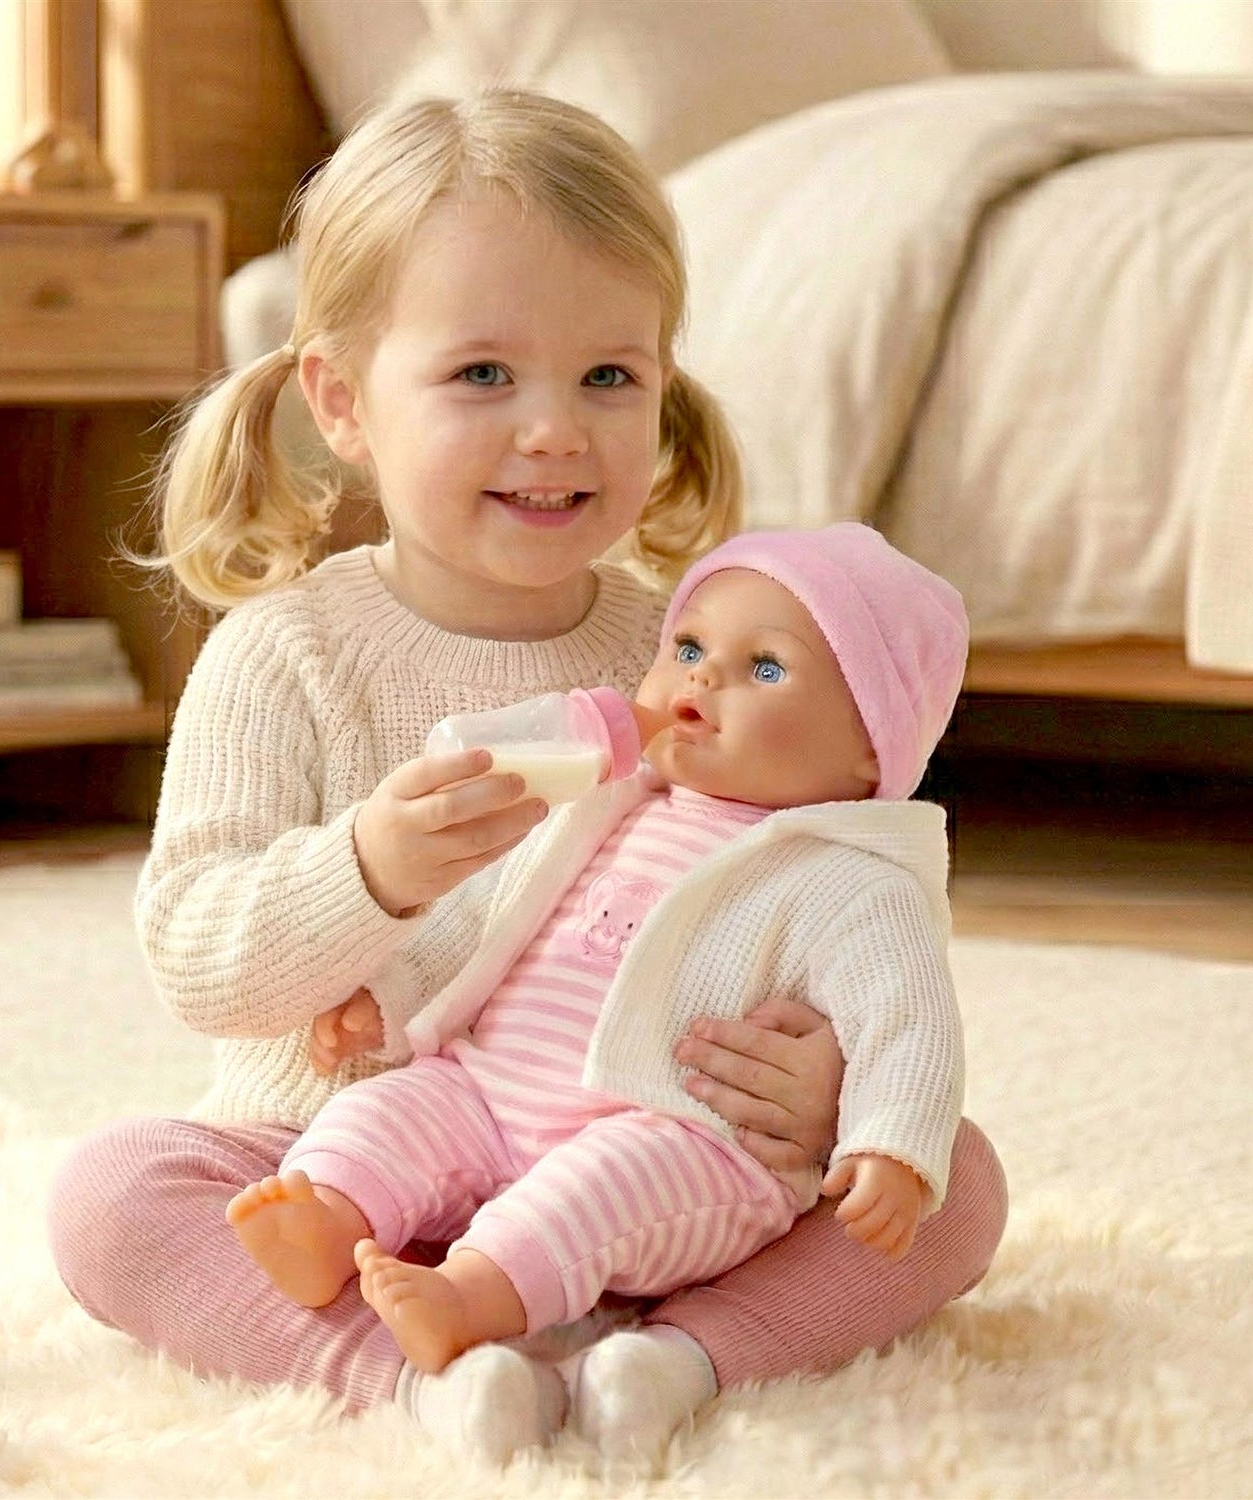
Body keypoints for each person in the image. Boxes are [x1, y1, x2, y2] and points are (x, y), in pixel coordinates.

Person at [46, 89, 1008, 1465]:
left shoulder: (682, 658)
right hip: (341, 1169)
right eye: (484, 375)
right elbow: (200, 963)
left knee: (952, 1180)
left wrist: (826, 1090)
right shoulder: (287, 653)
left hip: (633, 1178)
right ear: (343, 401)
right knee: (111, 1196)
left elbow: (820, 905)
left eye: (608, 377)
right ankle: (414, 1375)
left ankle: (678, 1358)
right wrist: (370, 870)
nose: (555, 429)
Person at [227, 524, 969, 1454]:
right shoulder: (608, 801)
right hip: (492, 1088)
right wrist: (389, 993)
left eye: (765, 668)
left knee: (605, 1186)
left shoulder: (852, 878)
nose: (703, 678)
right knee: (390, 1108)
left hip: (677, 1132)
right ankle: (330, 1216)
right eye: (688, 648)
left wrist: (890, 1143)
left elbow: (910, 1022)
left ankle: (470, 1298)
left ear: (871, 748)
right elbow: (487, 916)